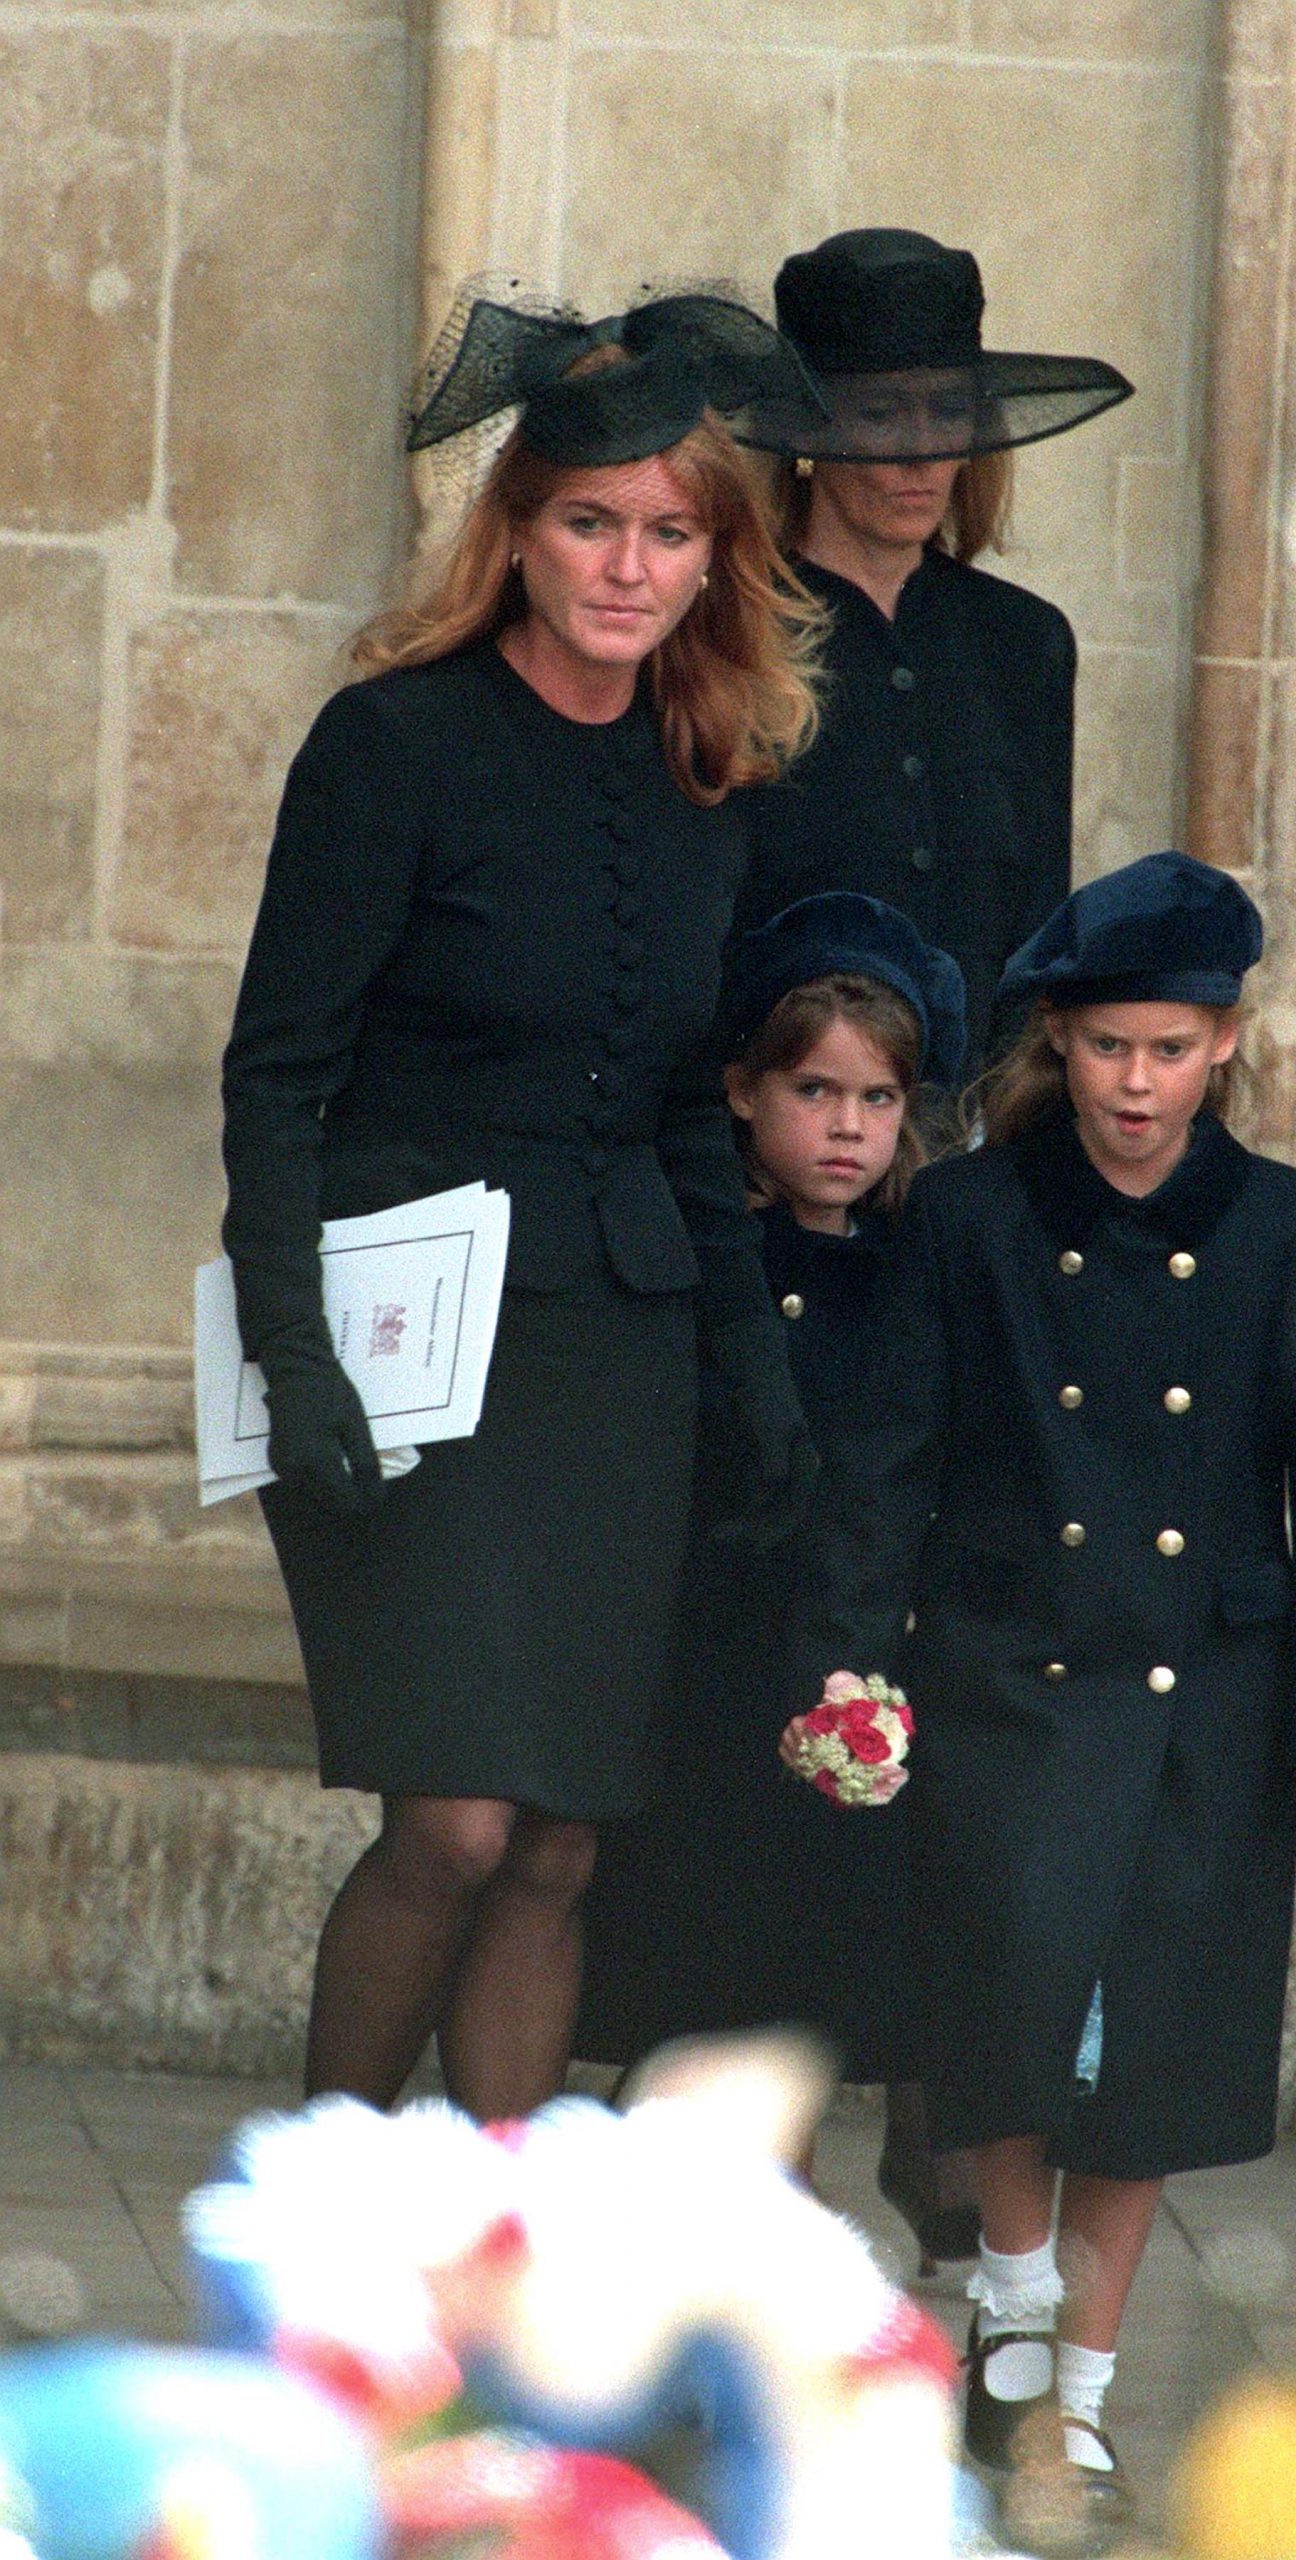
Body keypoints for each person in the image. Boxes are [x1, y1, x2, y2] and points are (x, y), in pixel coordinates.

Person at [219, 284, 826, 2123]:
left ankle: (496, 2284)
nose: (625, 567)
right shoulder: (391, 746)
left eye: (666, 532)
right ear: (517, 528)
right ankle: (311, 2224)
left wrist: (752, 1372)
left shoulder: (704, 779)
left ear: (715, 556)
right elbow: (276, 1072)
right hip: (410, 1354)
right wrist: (291, 1353)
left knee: (560, 1841)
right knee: (455, 1823)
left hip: (611, 1355)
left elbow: (670, 1112)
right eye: (588, 522)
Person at [790, 850, 1296, 2532]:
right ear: (1053, 1047)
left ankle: (1076, 2397)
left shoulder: (1290, 1229)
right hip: (1005, 1672)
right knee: (1004, 2008)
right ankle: (1002, 2298)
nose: (1133, 1085)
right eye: (1104, 1048)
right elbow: (887, 1462)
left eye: (1167, 1048)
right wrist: (846, 1662)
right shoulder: (971, 1219)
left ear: (1223, 1047)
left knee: (1146, 2048)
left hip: (1203, 1691)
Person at [576, 893, 976, 2258]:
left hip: (838, 1656)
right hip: (693, 1654)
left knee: (804, 1949)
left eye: (876, 1096)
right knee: (700, 1933)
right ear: (744, 1091)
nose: (848, 1127)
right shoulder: (704, 1258)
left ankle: (786, 2190)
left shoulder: (912, 1267)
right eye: (814, 1090)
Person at [731, 226, 1133, 1077]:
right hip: (769, 1140)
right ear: (811, 426)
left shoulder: (1023, 641)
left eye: (948, 410)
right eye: (880, 414)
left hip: (969, 1142)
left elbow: (1036, 929)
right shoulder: (730, 628)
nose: (921, 450)